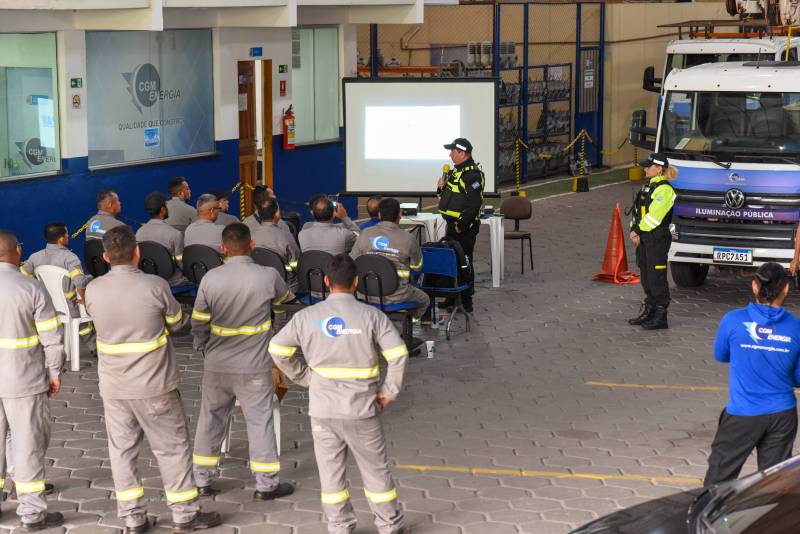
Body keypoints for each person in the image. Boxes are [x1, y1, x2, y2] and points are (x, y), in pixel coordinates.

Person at [85, 226, 221, 533]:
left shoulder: (93, 290)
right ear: (137, 252)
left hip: (114, 388)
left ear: (106, 257)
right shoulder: (155, 285)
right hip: (155, 386)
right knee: (172, 449)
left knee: (121, 452)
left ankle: (133, 518)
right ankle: (185, 514)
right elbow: (176, 323)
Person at [269, 254, 407, 534]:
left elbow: (277, 349)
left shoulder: (305, 317)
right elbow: (398, 354)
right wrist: (388, 392)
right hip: (362, 409)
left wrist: (305, 377)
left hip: (322, 410)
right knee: (375, 471)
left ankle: (340, 526)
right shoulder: (372, 316)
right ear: (356, 282)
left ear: (326, 282)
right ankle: (390, 526)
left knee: (331, 475)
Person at [190, 223, 294, 500]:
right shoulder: (268, 276)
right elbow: (286, 305)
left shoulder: (210, 278)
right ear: (252, 245)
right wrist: (277, 340)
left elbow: (199, 322)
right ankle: (266, 485)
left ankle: (202, 480)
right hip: (254, 367)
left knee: (210, 420)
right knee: (260, 423)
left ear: (223, 249)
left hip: (216, 365)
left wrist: (203, 348)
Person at [704, 263, 800, 486]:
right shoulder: (796, 328)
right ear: (785, 289)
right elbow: (798, 377)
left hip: (742, 415)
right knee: (774, 486)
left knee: (718, 482)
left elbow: (721, 355)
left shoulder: (732, 320)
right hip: (782, 416)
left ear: (755, 286)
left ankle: (708, 520)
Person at [0, 229, 65, 531]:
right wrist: (54, 372)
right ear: (14, 252)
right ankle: (32, 514)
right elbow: (52, 338)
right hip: (23, 381)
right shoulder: (32, 288)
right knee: (27, 445)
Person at [21, 222, 95, 349]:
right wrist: (82, 299)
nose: (68, 236)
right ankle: (93, 346)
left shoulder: (35, 257)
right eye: (67, 233)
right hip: (69, 307)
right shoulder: (70, 258)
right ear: (61, 238)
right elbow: (79, 282)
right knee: (84, 310)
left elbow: (22, 274)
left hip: (45, 306)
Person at [351, 198, 429, 318]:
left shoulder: (364, 234)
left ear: (379, 214)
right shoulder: (408, 239)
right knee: (425, 300)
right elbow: (417, 267)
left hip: (366, 293)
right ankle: (407, 324)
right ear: (400, 215)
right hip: (398, 295)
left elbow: (352, 261)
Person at [627, 152, 677, 330]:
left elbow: (654, 217)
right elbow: (637, 212)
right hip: (644, 238)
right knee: (647, 277)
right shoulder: (648, 186)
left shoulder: (664, 189)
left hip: (656, 238)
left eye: (648, 166)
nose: (645, 168)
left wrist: (638, 231)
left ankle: (660, 316)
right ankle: (650, 309)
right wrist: (634, 229)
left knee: (657, 278)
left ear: (659, 169)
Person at [437, 138, 484, 313]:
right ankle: (451, 297)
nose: (450, 154)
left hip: (463, 229)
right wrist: (441, 188)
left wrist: (461, 225)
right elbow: (449, 199)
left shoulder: (472, 174)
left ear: (462, 153)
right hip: (452, 225)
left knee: (464, 262)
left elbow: (474, 204)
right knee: (451, 261)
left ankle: (466, 301)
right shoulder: (456, 172)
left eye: (453, 151)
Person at [136, 192, 190, 287]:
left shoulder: (139, 232)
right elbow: (181, 264)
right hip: (173, 282)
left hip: (150, 281)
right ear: (163, 210)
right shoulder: (175, 234)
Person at [252, 197, 301, 290]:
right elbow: (296, 265)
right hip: (286, 286)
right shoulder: (286, 236)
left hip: (259, 284)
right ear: (277, 214)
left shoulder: (252, 235)